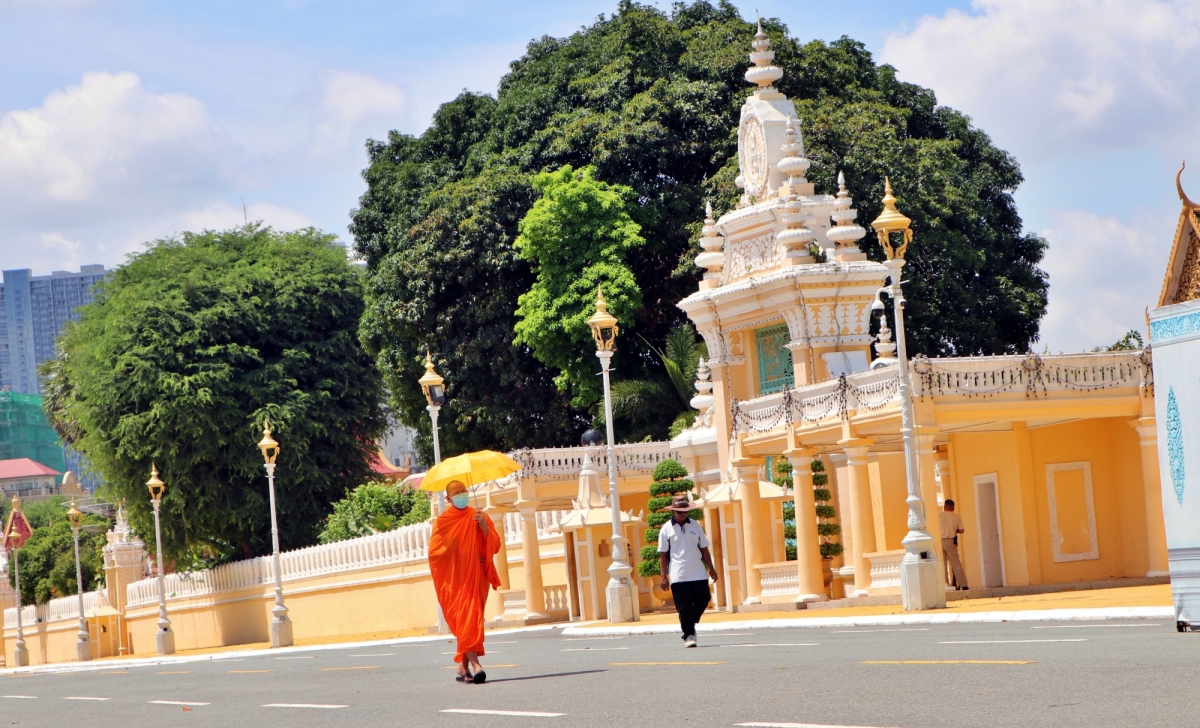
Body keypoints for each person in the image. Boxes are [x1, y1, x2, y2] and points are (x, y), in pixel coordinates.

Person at [428, 480, 501, 684]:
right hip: (456, 580)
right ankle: (476, 666)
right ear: (449, 499)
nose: (462, 495)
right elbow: (436, 553)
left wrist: (484, 526)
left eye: (464, 491)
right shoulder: (443, 522)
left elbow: (494, 546)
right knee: (465, 620)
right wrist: (459, 557)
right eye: (457, 493)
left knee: (471, 619)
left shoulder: (479, 516)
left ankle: (463, 666)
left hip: (477, 576)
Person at [658, 494, 719, 648]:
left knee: (704, 598)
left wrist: (711, 568)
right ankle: (689, 635)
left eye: (685, 511)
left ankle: (690, 621)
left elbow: (704, 549)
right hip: (678, 574)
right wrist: (663, 576)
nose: (683, 514)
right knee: (683, 606)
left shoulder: (695, 525)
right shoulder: (666, 528)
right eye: (680, 512)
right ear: (673, 512)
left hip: (698, 571)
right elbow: (663, 554)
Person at [939, 499, 968, 590]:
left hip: (939, 541)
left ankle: (944, 584)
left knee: (941, 563)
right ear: (953, 507)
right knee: (956, 563)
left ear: (944, 506)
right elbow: (961, 530)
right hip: (950, 541)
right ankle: (963, 584)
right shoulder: (956, 516)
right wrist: (954, 530)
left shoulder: (938, 515)